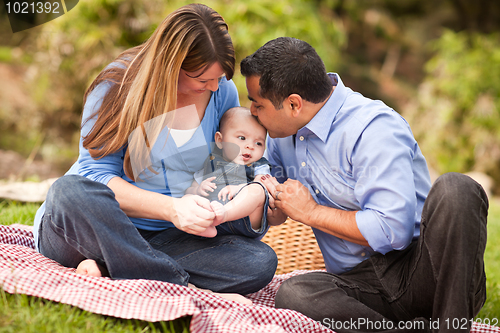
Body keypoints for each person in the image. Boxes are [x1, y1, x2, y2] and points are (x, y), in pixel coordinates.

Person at [32, 4, 277, 302]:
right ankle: (181, 286)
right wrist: (172, 209)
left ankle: (114, 267)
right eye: (202, 80)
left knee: (259, 261)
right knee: (68, 192)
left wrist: (243, 199)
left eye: (219, 77)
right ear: (170, 66)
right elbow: (95, 177)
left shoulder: (220, 91)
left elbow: (227, 162)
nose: (215, 86)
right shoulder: (115, 87)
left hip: (168, 238)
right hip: (98, 225)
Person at [240, 37, 488, 332]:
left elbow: (391, 230)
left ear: (294, 103)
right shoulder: (283, 134)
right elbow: (259, 178)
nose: (252, 111)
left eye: (258, 104)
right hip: (360, 286)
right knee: (295, 292)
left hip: (425, 271)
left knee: (456, 188)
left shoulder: (373, 127)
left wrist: (310, 213)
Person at [186, 106, 282, 234]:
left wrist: (241, 188)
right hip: (213, 217)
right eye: (242, 138)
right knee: (189, 199)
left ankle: (224, 214)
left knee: (257, 190)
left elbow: (263, 185)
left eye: (258, 143)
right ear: (220, 141)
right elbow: (189, 190)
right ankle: (204, 227)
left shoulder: (259, 165)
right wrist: (197, 189)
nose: (250, 146)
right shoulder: (211, 162)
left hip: (246, 220)